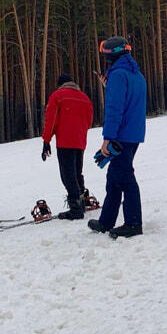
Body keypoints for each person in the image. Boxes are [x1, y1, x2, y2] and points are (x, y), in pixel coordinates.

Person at [88, 36, 147, 238]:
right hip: (134, 134)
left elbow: (115, 109)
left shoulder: (118, 75)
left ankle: (133, 223)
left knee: (125, 178)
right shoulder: (136, 75)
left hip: (121, 134)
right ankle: (106, 221)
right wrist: (109, 86)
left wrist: (108, 137)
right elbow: (130, 102)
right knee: (114, 177)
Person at [41, 73, 94, 220]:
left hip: (65, 141)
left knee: (67, 175)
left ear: (61, 84)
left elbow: (50, 119)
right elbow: (89, 121)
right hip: (80, 140)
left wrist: (46, 141)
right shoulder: (84, 97)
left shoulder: (57, 96)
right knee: (77, 172)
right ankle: (82, 201)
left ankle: (75, 208)